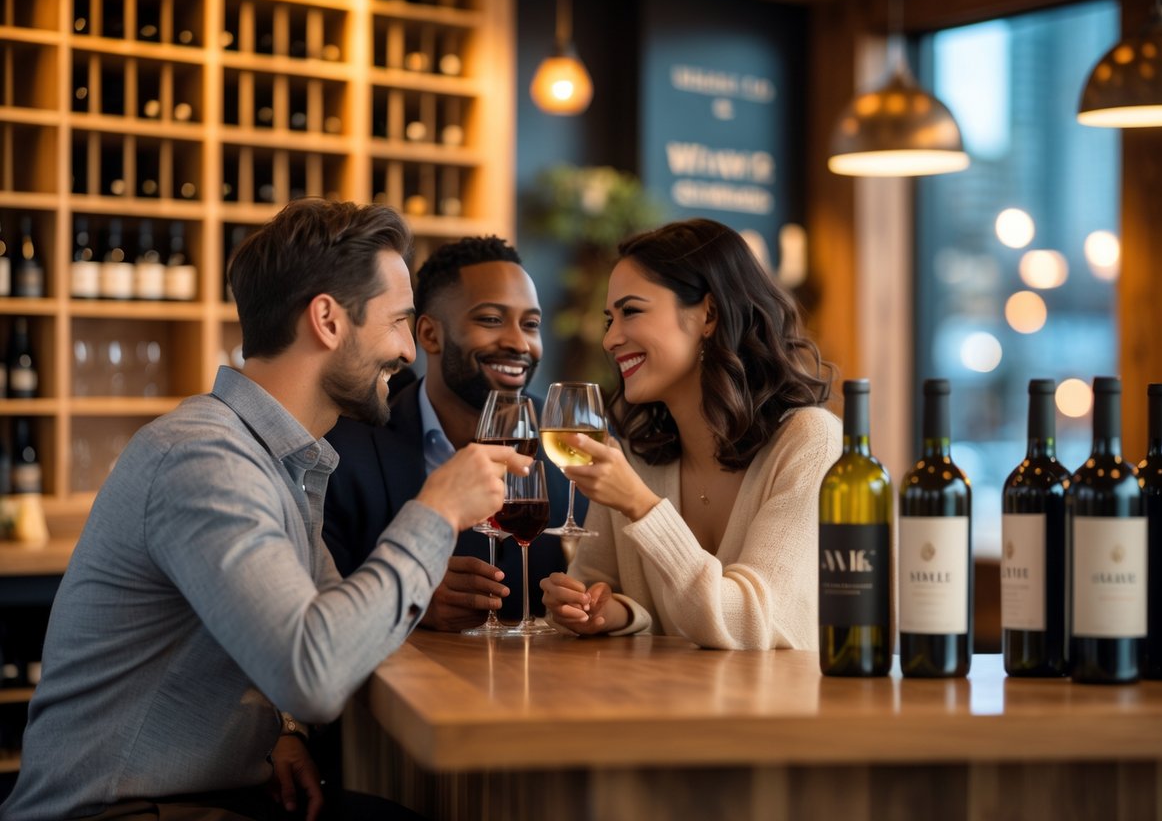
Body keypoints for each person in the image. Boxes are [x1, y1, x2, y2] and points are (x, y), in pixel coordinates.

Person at [0, 200, 530, 820]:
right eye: (397, 323)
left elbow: (326, 624)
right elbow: (315, 672)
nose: (409, 353)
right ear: (328, 320)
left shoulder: (279, 459)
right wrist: (436, 510)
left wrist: (282, 730)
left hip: (207, 794)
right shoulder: (204, 457)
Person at [539, 218, 840, 650]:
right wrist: (605, 611)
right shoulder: (639, 452)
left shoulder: (810, 444)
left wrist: (641, 506)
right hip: (665, 707)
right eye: (609, 318)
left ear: (708, 314)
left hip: (781, 713)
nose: (610, 339)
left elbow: (750, 624)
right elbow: (596, 585)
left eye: (631, 311)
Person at [323, 236, 578, 631]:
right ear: (429, 335)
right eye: (491, 320)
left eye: (530, 325)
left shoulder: (569, 448)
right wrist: (410, 604)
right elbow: (319, 608)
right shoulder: (343, 450)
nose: (517, 343)